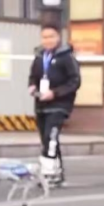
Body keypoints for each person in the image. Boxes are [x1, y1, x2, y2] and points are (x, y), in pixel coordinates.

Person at [27, 23, 80, 188]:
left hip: (59, 105)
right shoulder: (39, 56)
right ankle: (56, 172)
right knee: (47, 139)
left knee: (51, 137)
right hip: (41, 104)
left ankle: (49, 174)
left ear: (58, 37)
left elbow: (75, 81)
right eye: (44, 37)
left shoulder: (66, 57)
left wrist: (55, 93)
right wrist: (32, 86)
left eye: (51, 36)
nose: (47, 40)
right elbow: (33, 76)